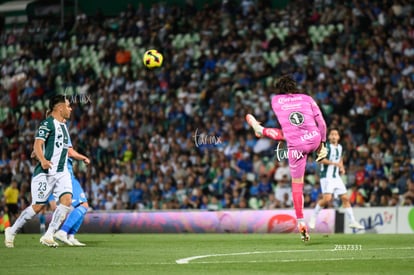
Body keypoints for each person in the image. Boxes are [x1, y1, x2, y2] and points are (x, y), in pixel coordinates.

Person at [246, 74, 327, 242]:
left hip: (296, 146)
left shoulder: (276, 100)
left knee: (297, 186)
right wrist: (323, 144)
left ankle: (300, 221)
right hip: (314, 139)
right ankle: (261, 130)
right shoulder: (307, 98)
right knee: (289, 134)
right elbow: (323, 124)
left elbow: (288, 120)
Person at [4, 95, 73, 248]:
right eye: (68, 106)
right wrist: (42, 159)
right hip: (45, 171)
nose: (71, 109)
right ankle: (12, 230)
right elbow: (37, 143)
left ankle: (49, 234)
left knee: (67, 201)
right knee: (37, 207)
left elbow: (59, 147)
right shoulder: (47, 123)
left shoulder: (64, 126)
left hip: (61, 171)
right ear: (60, 108)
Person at [309, 128, 364, 230]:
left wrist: (341, 167)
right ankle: (313, 217)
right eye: (332, 134)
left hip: (336, 177)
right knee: (327, 199)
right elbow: (320, 159)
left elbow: (340, 159)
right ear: (329, 137)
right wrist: (334, 163)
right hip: (326, 177)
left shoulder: (340, 147)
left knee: (345, 198)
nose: (334, 136)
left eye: (336, 134)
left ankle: (352, 221)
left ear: (338, 137)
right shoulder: (325, 147)